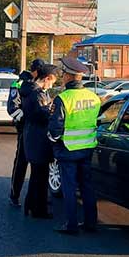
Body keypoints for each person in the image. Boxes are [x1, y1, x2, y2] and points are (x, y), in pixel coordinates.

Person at [48, 56, 101, 235]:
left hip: (68, 149)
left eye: (63, 74)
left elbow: (55, 128)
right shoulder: (94, 97)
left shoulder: (63, 98)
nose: (62, 77)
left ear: (69, 77)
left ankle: (71, 224)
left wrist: (54, 142)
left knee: (69, 188)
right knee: (87, 187)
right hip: (87, 148)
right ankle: (91, 223)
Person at [20, 63, 59, 219]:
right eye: (53, 81)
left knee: (37, 175)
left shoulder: (32, 91)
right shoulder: (37, 94)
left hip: (33, 137)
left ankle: (31, 205)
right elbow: (41, 115)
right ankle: (38, 210)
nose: (52, 85)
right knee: (40, 176)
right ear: (47, 78)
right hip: (38, 139)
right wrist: (51, 110)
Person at [7, 59, 45, 208]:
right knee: (21, 163)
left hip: (39, 129)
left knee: (40, 164)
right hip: (25, 129)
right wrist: (26, 118)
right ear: (34, 70)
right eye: (40, 71)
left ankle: (39, 197)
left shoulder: (39, 84)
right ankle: (14, 195)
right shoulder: (18, 84)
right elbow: (12, 107)